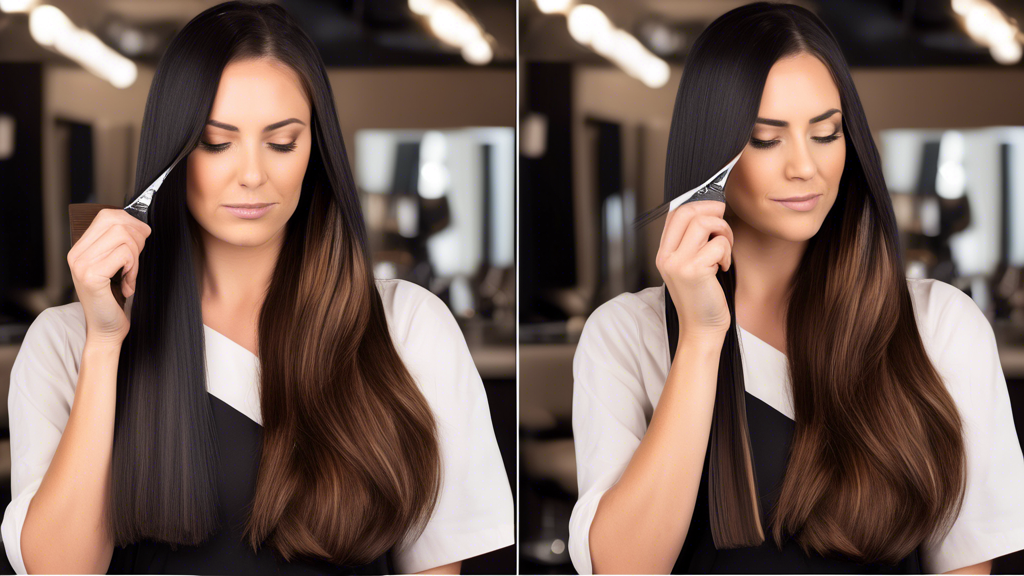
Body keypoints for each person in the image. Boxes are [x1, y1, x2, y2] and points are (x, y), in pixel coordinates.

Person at [2, 2, 513, 574]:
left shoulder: (406, 327)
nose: (251, 174)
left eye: (282, 142)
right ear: (172, 156)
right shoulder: (67, 344)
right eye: (217, 143)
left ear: (315, 153)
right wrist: (105, 343)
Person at [568, 2, 1024, 574]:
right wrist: (702, 339)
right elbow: (626, 568)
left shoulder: (938, 326)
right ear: (713, 158)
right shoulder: (625, 336)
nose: (805, 166)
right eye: (766, 139)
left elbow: (966, 564)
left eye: (826, 132)